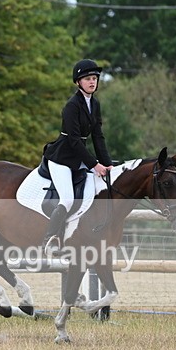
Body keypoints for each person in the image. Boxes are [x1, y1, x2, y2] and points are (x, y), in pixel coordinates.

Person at [39, 58, 113, 252]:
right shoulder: (72, 105)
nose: (92, 82)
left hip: (79, 158)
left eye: (95, 78)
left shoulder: (94, 104)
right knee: (68, 200)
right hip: (62, 158)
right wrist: (94, 165)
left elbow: (98, 137)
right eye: (88, 78)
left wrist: (107, 163)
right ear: (78, 82)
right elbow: (73, 140)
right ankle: (50, 239)